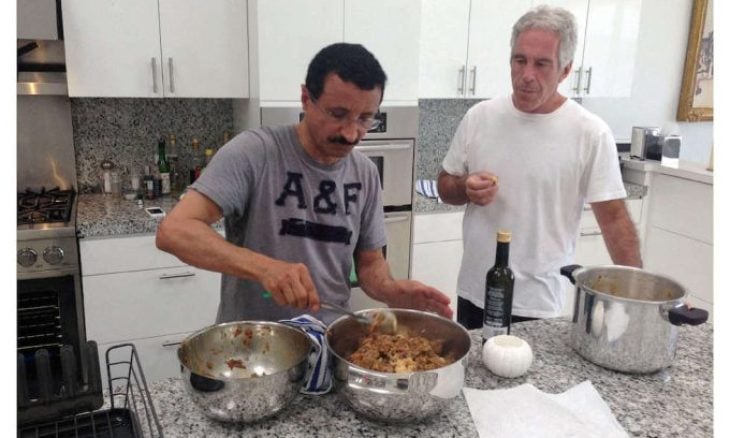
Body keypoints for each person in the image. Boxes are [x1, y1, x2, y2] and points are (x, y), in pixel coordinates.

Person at [156, 43, 452, 324]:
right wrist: (265, 269)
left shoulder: (365, 173)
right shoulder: (255, 152)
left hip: (329, 338)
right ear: (306, 99)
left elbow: (370, 263)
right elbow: (174, 231)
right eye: (338, 114)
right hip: (255, 343)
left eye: (365, 119)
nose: (351, 134)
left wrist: (392, 291)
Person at [437, 5, 641, 329]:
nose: (527, 75)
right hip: (476, 292)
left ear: (565, 70)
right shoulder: (480, 117)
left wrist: (638, 297)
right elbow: (445, 185)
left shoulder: (590, 133)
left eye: (542, 64)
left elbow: (614, 219)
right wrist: (464, 187)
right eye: (520, 60)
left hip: (540, 302)